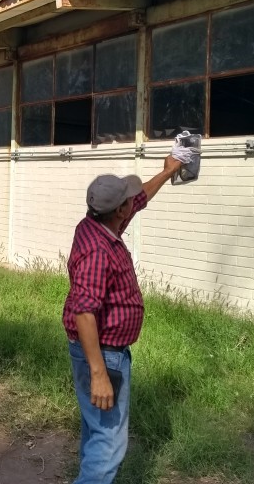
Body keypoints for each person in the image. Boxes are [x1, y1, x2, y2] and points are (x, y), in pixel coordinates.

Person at [63, 156, 181, 484]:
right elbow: (85, 312)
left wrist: (169, 170)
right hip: (103, 355)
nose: (134, 200)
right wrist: (99, 373)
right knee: (110, 441)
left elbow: (140, 197)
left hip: (102, 353)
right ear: (119, 211)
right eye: (127, 201)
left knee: (97, 431)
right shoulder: (98, 251)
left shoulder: (95, 225)